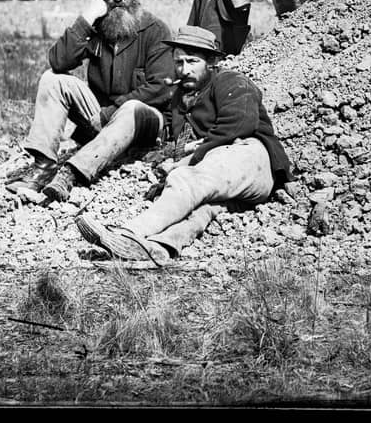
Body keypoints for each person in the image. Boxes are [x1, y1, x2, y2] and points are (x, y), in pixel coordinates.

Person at [74, 25, 292, 264]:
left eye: (192, 61)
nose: (184, 69)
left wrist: (189, 159)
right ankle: (158, 247)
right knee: (203, 208)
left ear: (211, 62)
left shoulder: (231, 81)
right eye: (179, 62)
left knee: (186, 179)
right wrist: (171, 156)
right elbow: (180, 139)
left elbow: (238, 125)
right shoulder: (182, 96)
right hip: (223, 173)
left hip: (251, 157)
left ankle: (129, 233)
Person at [4, 0, 174, 200]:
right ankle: (43, 167)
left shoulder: (155, 30)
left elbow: (160, 88)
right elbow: (58, 62)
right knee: (53, 80)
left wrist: (109, 113)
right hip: (102, 118)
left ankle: (71, 174)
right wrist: (85, 20)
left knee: (132, 107)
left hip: (145, 123)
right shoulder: (97, 28)